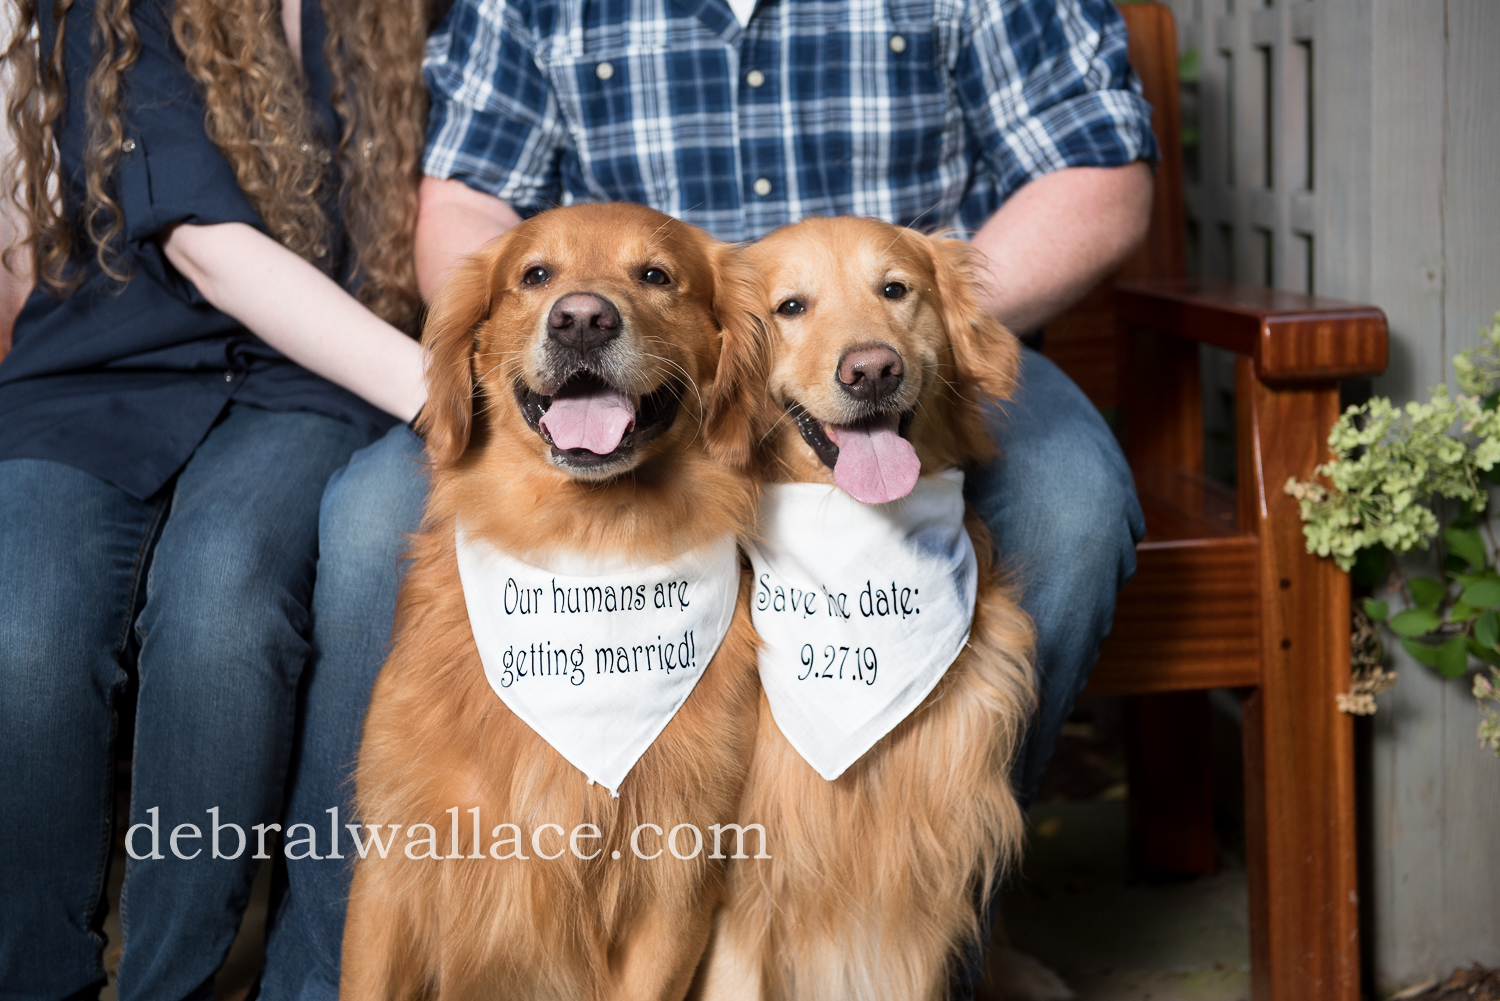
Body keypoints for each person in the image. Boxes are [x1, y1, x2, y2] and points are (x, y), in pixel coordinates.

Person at [262, 0, 1156, 995]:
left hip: (913, 357)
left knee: (1072, 505)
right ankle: (316, 973)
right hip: (629, 373)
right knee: (361, 521)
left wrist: (915, 333)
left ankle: (936, 931)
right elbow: (469, 202)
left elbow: (1098, 174)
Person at [0, 0, 430, 996]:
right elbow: (204, 245)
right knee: (23, 631)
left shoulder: (399, 16)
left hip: (305, 379)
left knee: (224, 611)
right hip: (102, 376)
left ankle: (172, 982)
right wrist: (446, 402)